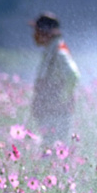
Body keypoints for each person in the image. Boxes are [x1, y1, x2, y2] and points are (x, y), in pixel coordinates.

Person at [30, 13, 79, 145]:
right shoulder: (51, 48)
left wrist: (61, 99)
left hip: (57, 112)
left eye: (37, 30)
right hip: (51, 110)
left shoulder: (58, 49)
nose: (34, 34)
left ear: (45, 31)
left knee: (54, 148)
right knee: (49, 147)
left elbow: (72, 75)